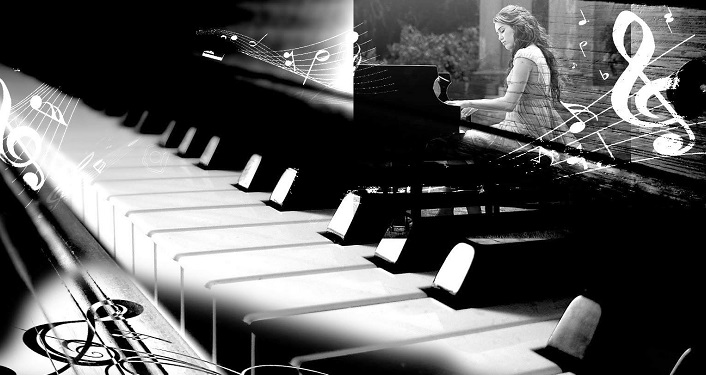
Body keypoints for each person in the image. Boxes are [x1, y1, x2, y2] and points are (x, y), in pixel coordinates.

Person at [435, 4, 576, 165]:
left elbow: (509, 103)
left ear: (518, 27)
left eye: (502, 30)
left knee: (454, 142)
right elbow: (517, 99)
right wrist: (478, 105)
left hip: (522, 135)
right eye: (497, 33)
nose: (500, 37)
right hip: (527, 131)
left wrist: (467, 102)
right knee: (465, 139)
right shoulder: (536, 51)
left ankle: (465, 186)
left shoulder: (524, 55)